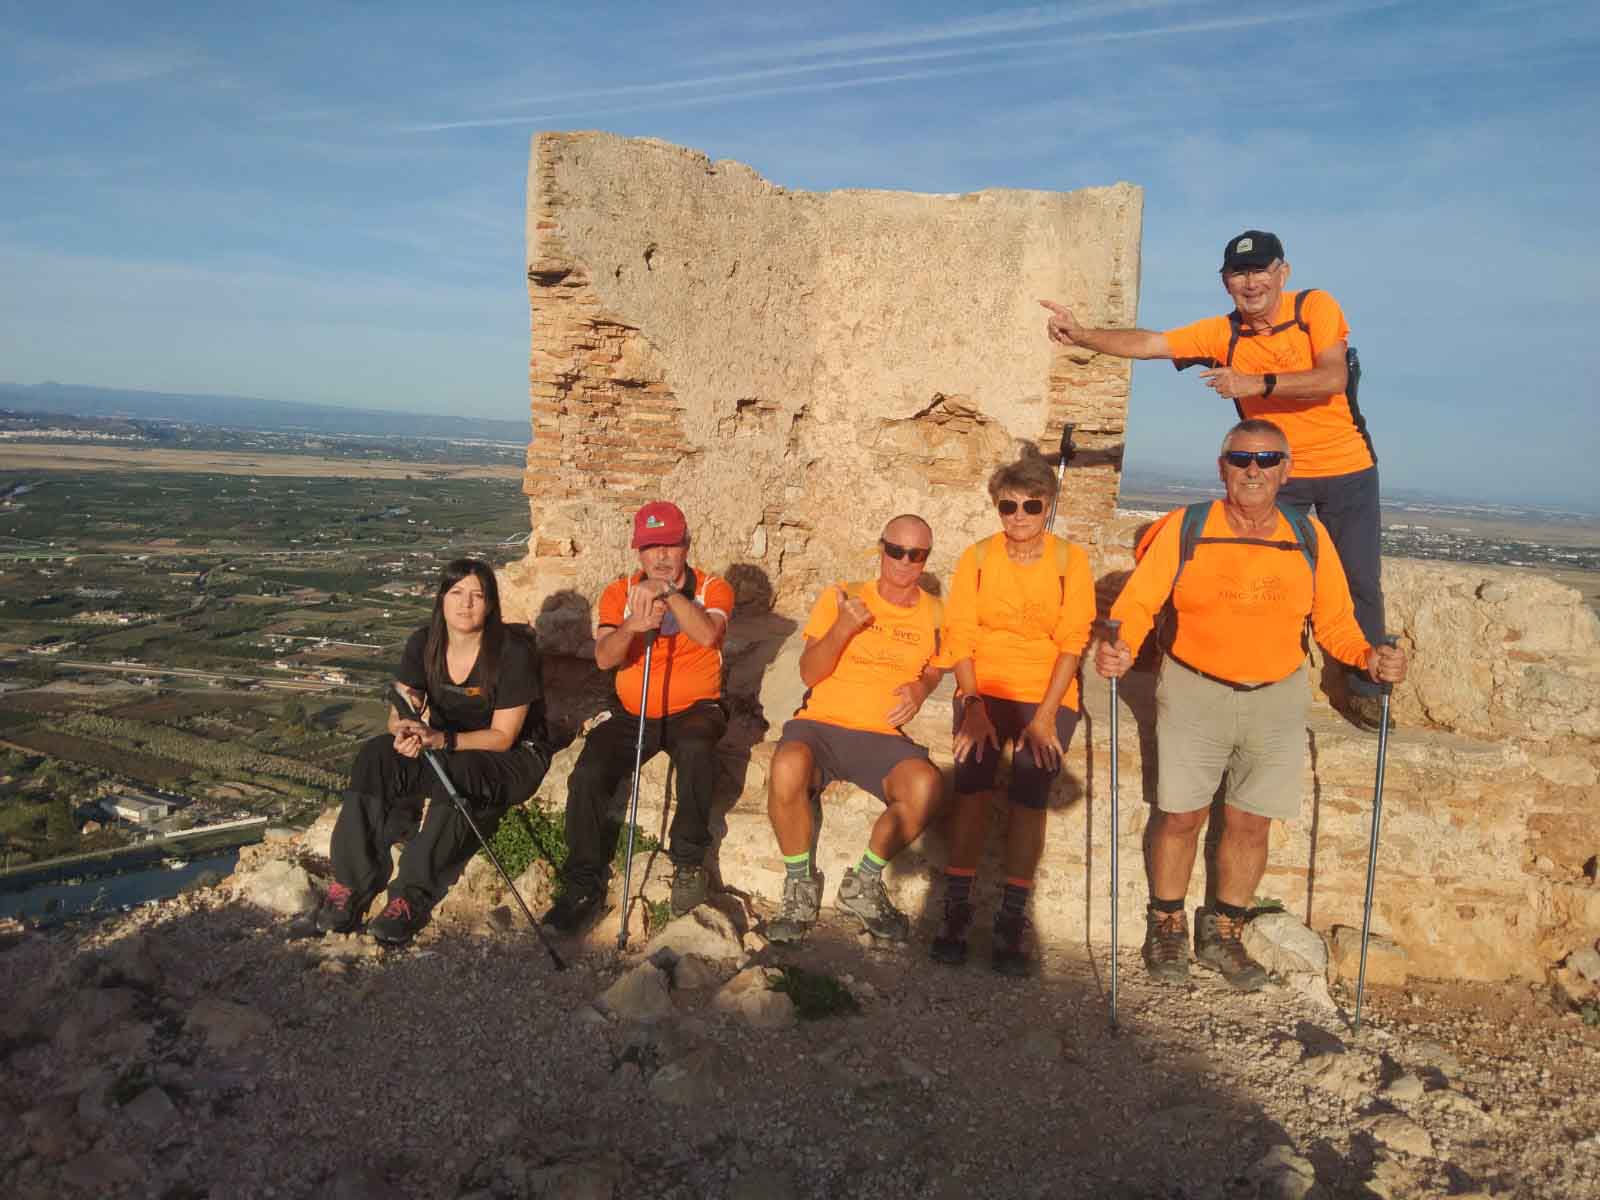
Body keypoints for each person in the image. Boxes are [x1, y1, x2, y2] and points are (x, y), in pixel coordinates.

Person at [1094, 419, 1407, 989]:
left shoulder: (1308, 535)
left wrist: (1367, 657)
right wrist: (1119, 645)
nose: (1254, 470)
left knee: (1250, 822)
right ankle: (1166, 926)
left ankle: (1223, 933)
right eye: (1241, 460)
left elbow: (1335, 621)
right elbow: (1140, 602)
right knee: (1180, 815)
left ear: (1287, 471)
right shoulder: (1189, 527)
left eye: (1267, 459)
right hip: (1194, 687)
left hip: (1277, 695)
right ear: (1223, 469)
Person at [1042, 230, 1391, 730]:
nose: (1252, 283)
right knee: (1252, 576)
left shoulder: (1314, 307)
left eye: (1261, 270)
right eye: (1240, 273)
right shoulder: (1221, 334)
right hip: (1272, 473)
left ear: (1282, 273)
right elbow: (1150, 344)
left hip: (1347, 467)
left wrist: (1256, 383)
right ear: (1227, 282)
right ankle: (1243, 678)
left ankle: (1365, 689)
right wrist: (1083, 336)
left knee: (1360, 582)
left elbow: (1332, 376)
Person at [315, 558, 551, 947]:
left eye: (477, 595)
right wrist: (403, 730)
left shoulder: (511, 653)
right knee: (376, 755)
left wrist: (441, 740)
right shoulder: (424, 643)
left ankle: (410, 896)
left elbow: (503, 736)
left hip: (509, 758)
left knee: (459, 771)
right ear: (441, 599)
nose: (466, 603)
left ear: (491, 604)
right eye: (456, 593)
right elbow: (401, 709)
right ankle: (353, 882)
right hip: (445, 745)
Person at [932, 452, 1095, 974]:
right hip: (984, 685)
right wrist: (973, 704)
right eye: (1008, 506)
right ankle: (956, 908)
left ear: (1047, 506)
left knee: (1031, 788)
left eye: (1030, 505)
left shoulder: (1071, 561)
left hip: (1045, 690)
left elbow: (1072, 641)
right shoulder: (978, 559)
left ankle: (1012, 916)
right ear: (997, 508)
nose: (1019, 515)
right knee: (973, 782)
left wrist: (1045, 717)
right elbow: (959, 633)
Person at [542, 501, 733, 933]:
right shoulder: (619, 591)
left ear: (686, 545)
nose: (661, 557)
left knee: (698, 747)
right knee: (590, 772)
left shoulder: (712, 588)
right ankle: (583, 882)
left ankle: (687, 863)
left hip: (696, 708)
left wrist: (670, 597)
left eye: (670, 545)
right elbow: (606, 659)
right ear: (638, 552)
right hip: (635, 709)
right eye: (651, 548)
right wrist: (633, 624)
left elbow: (708, 634)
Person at [765, 515, 948, 944]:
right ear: (880, 548)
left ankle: (863, 883)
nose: (904, 561)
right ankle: (799, 887)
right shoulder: (843, 596)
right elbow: (810, 672)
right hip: (820, 726)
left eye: (915, 554)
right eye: (895, 550)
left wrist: (922, 686)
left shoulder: (937, 613)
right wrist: (844, 628)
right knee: (787, 766)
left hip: (881, 737)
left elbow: (941, 663)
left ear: (925, 559)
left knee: (925, 787)